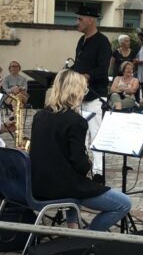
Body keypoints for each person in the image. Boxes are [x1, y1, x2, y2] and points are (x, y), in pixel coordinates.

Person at [29, 70, 132, 231]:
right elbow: (80, 164)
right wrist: (88, 163)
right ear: (75, 91)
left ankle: (73, 226)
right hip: (62, 188)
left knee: (75, 180)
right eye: (83, 89)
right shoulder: (76, 121)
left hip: (38, 185)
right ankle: (87, 237)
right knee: (123, 203)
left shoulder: (40, 116)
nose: (84, 93)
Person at [72, 3, 111, 179]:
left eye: (80, 19)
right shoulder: (81, 41)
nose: (77, 22)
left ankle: (98, 173)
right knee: (80, 134)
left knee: (96, 134)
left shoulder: (102, 42)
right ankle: (81, 168)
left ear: (90, 20)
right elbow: (78, 65)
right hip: (79, 95)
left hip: (95, 95)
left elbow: (102, 69)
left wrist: (86, 76)